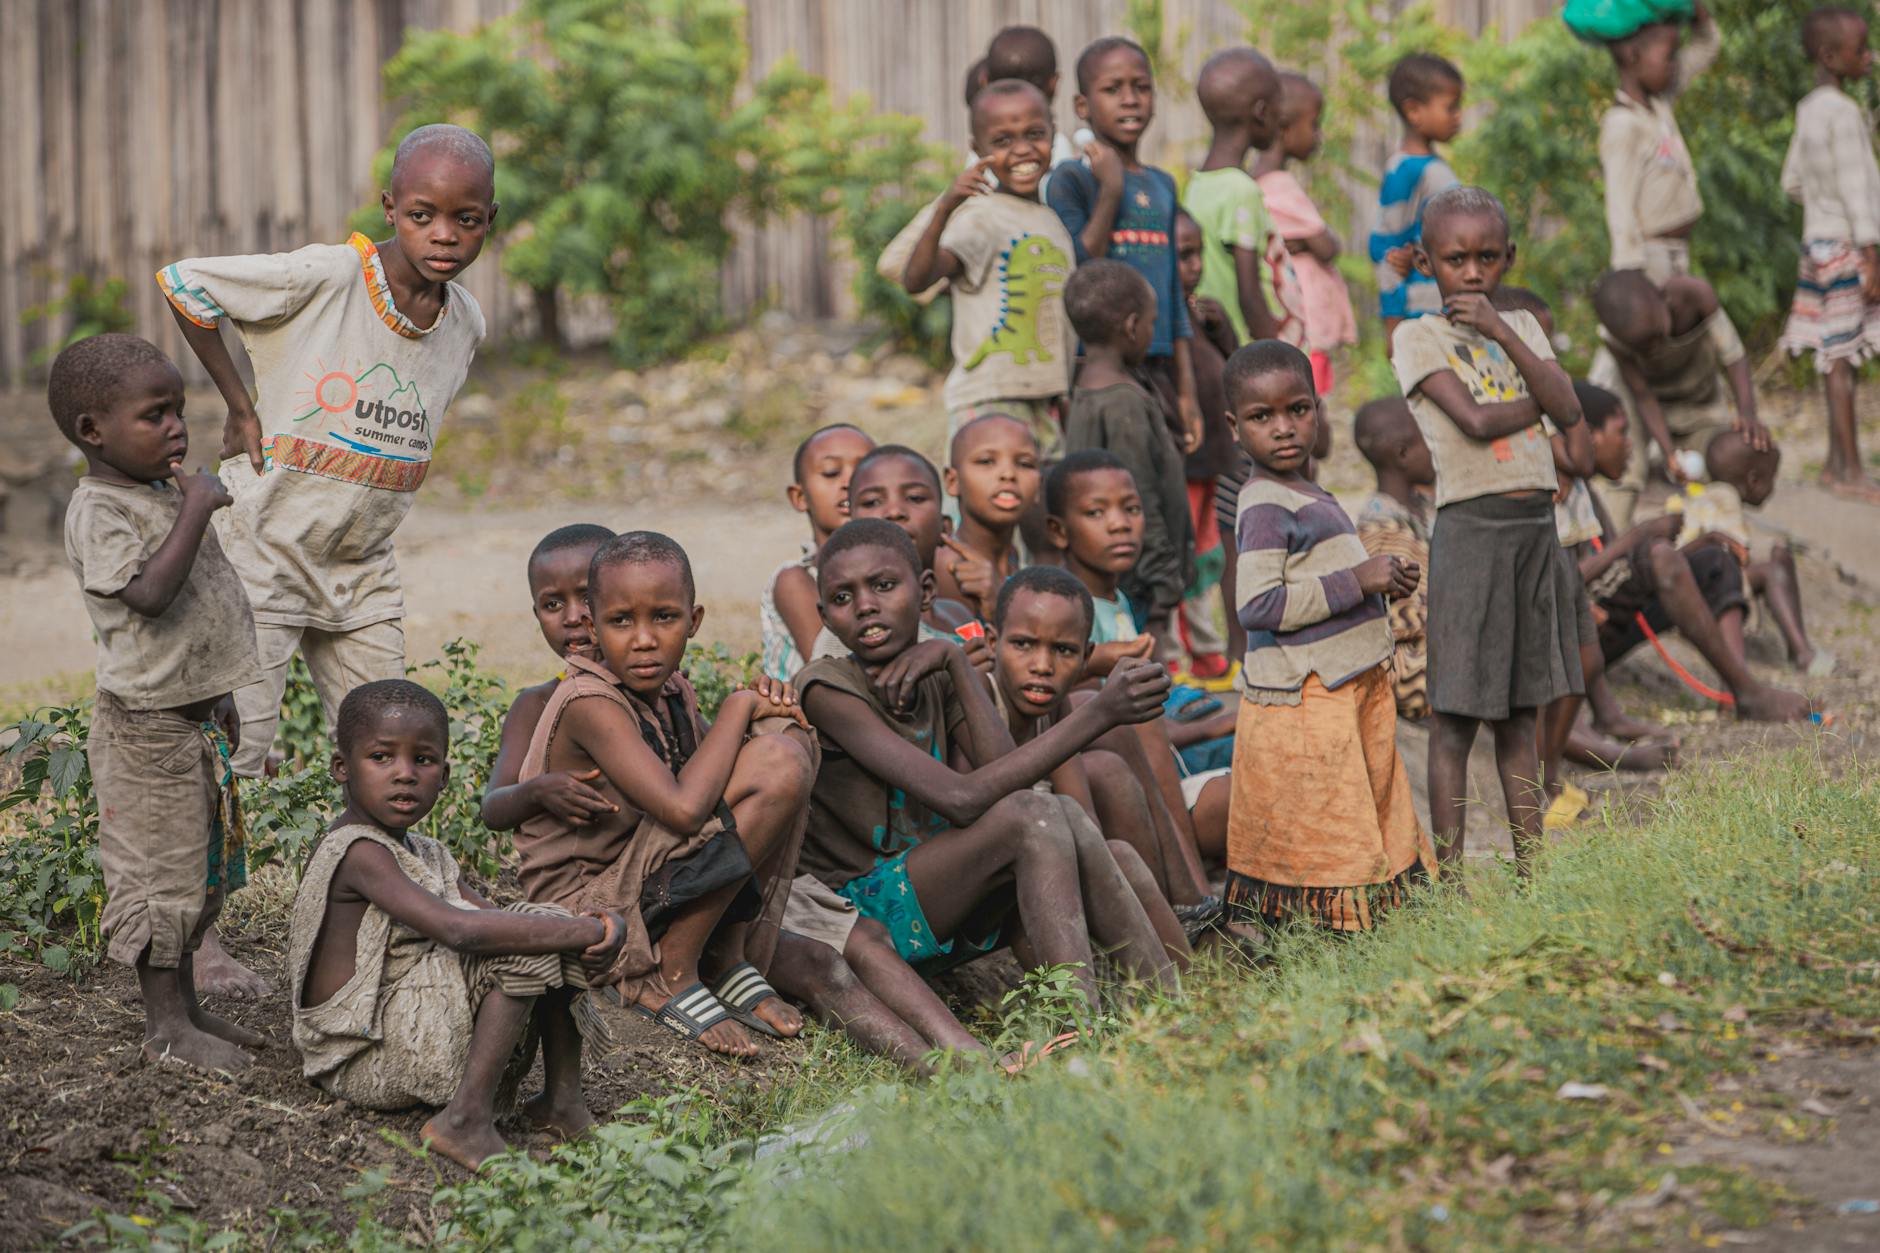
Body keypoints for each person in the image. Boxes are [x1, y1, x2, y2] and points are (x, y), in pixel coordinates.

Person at [158, 125, 495, 996]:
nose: (444, 235)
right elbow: (186, 285)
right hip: (265, 555)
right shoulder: (333, 273)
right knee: (236, 750)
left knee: (396, 746)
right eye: (423, 215)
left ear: (488, 223)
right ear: (391, 209)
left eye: (466, 219)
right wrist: (239, 403)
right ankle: (197, 941)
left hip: (362, 567)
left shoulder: (467, 323)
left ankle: (388, 917)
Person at [795, 518, 1181, 1010]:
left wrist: (957, 664)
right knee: (1038, 816)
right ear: (825, 614)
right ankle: (1079, 1025)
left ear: (927, 591)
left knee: (1103, 845)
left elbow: (1003, 775)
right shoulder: (827, 689)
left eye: (884, 585)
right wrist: (1100, 713)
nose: (866, 604)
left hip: (938, 897)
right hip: (863, 916)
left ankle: (1175, 1012)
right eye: (844, 597)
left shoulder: (935, 670)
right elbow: (963, 801)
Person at [287, 680, 625, 1172]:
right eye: (382, 758)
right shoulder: (359, 851)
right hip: (357, 1055)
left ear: (444, 775)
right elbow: (461, 931)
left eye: (422, 761)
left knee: (539, 929)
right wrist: (589, 930)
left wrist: (583, 927)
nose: (404, 775)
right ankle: (464, 1120)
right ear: (343, 767)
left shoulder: (427, 853)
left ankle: (561, 1103)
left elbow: (498, 920)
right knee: (531, 941)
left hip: (406, 1027)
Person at [513, 532, 816, 1058]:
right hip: (588, 917)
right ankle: (670, 972)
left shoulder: (673, 690)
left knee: (789, 740)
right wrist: (738, 708)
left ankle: (724, 954)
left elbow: (711, 778)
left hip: (639, 875)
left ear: (694, 621)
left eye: (664, 618)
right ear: (593, 626)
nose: (644, 640)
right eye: (621, 621)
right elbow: (683, 808)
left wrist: (766, 708)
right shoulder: (588, 702)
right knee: (776, 762)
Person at [51, 333, 262, 1073]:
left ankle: (192, 1010)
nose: (177, 426)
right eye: (156, 414)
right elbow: (149, 594)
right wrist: (197, 508)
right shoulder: (98, 510)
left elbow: (203, 612)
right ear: (92, 431)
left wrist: (220, 692)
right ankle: (166, 1025)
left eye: (179, 410)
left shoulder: (155, 491)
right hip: (143, 736)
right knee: (158, 883)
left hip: (191, 722)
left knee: (200, 875)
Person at [1390, 186, 1586, 873]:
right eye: (1455, 259)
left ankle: (1532, 869)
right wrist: (1542, 402)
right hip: (1472, 533)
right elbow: (1473, 419)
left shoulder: (1521, 330)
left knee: (1519, 714)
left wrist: (1505, 331)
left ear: (1508, 259)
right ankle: (1450, 880)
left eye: (1487, 258)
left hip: (1535, 529)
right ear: (1426, 262)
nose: (1472, 274)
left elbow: (1570, 411)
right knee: (1454, 718)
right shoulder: (1417, 337)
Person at [1222, 340, 1433, 931]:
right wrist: (1358, 577)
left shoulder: (1307, 492)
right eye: (1262, 418)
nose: (1284, 429)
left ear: (1318, 410)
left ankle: (1382, 918)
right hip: (1309, 697)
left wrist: (1382, 582)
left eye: (1298, 410)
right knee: (1327, 826)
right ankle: (1340, 934)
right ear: (1235, 428)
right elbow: (1258, 604)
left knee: (1366, 806)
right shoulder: (1264, 503)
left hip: (1346, 687)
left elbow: (1318, 578)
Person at [987, 567, 1209, 950]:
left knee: (1118, 854)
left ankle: (1184, 983)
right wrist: (1100, 713)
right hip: (992, 871)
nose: (1042, 665)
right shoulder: (981, 698)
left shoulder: (1052, 709)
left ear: (1086, 656)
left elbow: (1084, 823)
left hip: (1044, 855)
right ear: (994, 642)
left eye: (1064, 650)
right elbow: (977, 807)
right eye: (1023, 644)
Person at [1042, 451, 1219, 909]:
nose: (1119, 524)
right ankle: (1195, 896)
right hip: (1113, 775)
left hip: (1153, 761)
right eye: (1096, 513)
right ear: (1059, 530)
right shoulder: (1067, 608)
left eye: (1131, 509)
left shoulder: (1116, 600)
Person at [1576, 427, 1814, 721]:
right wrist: (1643, 534)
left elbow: (1621, 574)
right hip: (1580, 634)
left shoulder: (1584, 494)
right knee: (1661, 555)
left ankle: (1736, 692)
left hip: (1604, 619)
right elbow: (1569, 580)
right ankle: (1747, 691)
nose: (1630, 444)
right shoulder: (1552, 497)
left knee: (1716, 558)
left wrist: (1703, 543)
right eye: (1621, 431)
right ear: (1589, 436)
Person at [902, 80, 1077, 464]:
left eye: (1035, 134)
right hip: (990, 398)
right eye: (1002, 141)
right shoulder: (979, 216)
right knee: (992, 509)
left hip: (1044, 398)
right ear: (977, 150)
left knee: (1040, 512)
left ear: (1053, 133)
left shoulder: (1051, 220)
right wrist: (945, 208)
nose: (1022, 150)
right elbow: (917, 280)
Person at [1050, 36, 1204, 455]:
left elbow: (1174, 293)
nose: (1130, 100)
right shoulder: (1072, 179)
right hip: (1094, 368)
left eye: (1141, 87)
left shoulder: (1162, 184)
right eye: (1113, 89)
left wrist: (1187, 391)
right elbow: (1080, 268)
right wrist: (1111, 187)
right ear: (1083, 107)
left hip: (1156, 364)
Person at [1061, 260, 1193, 658]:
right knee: (1140, 676)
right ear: (1133, 327)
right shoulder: (1124, 404)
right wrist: (1163, 586)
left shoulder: (1081, 390)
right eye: (1152, 324)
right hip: (1137, 581)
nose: (1152, 333)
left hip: (1111, 572)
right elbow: (1142, 499)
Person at [1779, 7, 1880, 502]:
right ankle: (1852, 472)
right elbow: (1858, 188)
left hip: (1815, 242)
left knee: (1831, 354)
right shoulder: (1843, 112)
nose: (1870, 56)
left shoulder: (1807, 109)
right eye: (1862, 49)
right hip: (1846, 245)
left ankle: (1835, 466)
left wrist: (1819, 209)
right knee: (1844, 358)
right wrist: (1870, 252)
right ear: (1830, 56)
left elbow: (1792, 179)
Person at [1588, 268, 1769, 529]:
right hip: (1645, 404)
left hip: (1698, 397)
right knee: (1629, 468)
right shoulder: (1614, 337)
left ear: (1665, 300)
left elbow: (1733, 355)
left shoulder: (1694, 295)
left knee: (1723, 459)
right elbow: (1643, 396)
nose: (1652, 349)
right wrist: (1668, 451)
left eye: (1655, 337)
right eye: (1641, 347)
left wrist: (1747, 412)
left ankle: (1721, 537)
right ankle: (1613, 544)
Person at [481, 524, 618, 835]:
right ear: (536, 614)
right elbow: (493, 808)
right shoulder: (536, 703)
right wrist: (538, 791)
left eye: (586, 597)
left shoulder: (655, 686)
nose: (571, 617)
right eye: (552, 605)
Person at [1255, 71, 1358, 396]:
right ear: (1284, 129)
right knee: (1308, 392)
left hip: (1289, 312)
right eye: (1314, 125)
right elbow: (1327, 246)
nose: (1318, 136)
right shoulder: (1279, 186)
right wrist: (1317, 241)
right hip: (1305, 310)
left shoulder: (1255, 183)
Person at [1599, 1, 1718, 280]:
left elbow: (1707, 45)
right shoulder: (1622, 125)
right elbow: (1619, 206)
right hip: (1649, 261)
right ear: (1633, 55)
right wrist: (1629, 270)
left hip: (1676, 255)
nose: (1677, 65)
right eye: (1669, 56)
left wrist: (1696, 11)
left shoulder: (1659, 105)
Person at [1186, 48, 1293, 346]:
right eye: (1278, 105)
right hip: (1246, 351)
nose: (1281, 115)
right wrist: (1276, 357)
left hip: (1220, 345)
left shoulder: (1198, 184)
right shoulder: (1240, 189)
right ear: (1261, 112)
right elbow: (1249, 292)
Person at [1173, 208, 1240, 683]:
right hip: (1184, 463)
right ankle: (1180, 654)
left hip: (1214, 461)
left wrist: (1223, 329)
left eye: (1198, 255)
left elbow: (1237, 365)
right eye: (1182, 256)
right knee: (1183, 558)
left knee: (1208, 555)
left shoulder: (1200, 313)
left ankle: (1207, 651)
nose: (1193, 266)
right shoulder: (1161, 322)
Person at [760, 424, 877, 682]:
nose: (849, 482)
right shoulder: (796, 581)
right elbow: (834, 673)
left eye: (864, 471)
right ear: (799, 496)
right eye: (831, 472)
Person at [1369, 54, 1464, 343]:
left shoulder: (1433, 167)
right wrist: (1393, 325)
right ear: (1414, 111)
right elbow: (1387, 250)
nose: (1459, 116)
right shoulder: (1405, 171)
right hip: (1420, 315)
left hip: (1445, 307)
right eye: (1451, 107)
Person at [934, 413, 1042, 622]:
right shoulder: (952, 568)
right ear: (952, 481)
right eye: (986, 461)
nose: (1008, 474)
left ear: (1039, 485)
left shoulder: (1013, 558)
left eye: (1025, 463)